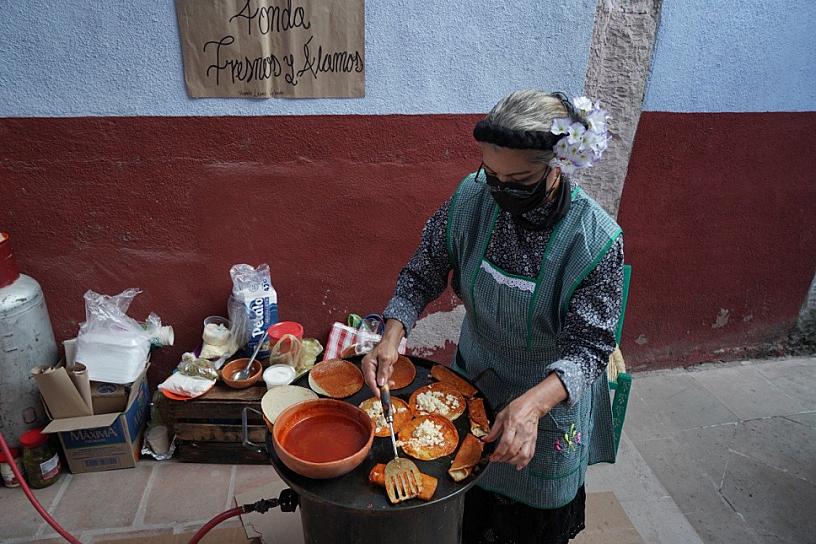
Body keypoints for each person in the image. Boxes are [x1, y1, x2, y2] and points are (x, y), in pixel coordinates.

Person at [362, 90, 623, 544]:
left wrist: (534, 404)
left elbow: (590, 347)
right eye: (492, 174)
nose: (500, 191)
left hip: (546, 398)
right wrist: (392, 334)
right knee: (469, 505)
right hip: (476, 377)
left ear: (557, 166)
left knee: (529, 525)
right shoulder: (472, 198)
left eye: (519, 180)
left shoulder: (593, 238)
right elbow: (423, 269)